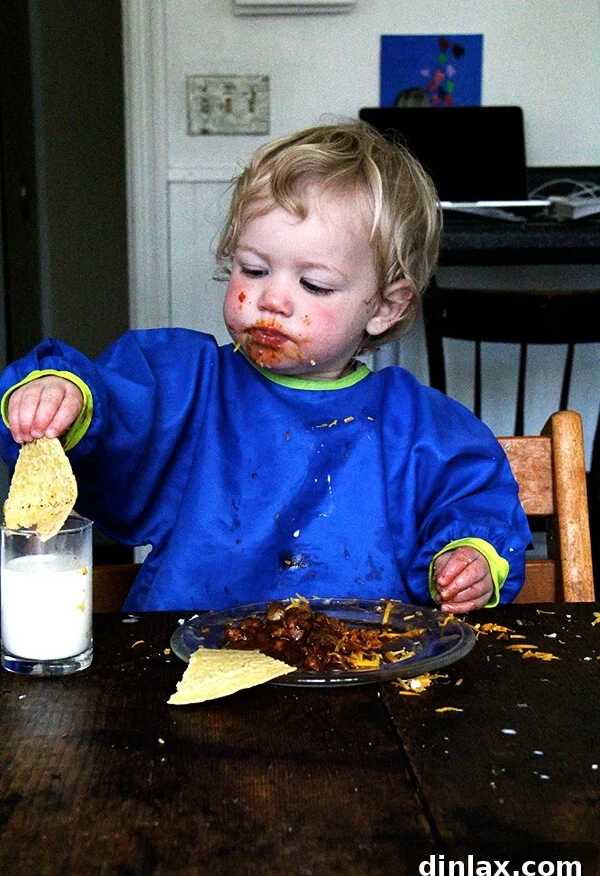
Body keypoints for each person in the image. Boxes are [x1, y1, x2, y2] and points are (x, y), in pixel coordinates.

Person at [0, 121, 531, 613]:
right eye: (253, 269)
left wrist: (471, 559)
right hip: (189, 659)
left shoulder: (417, 425)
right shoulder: (190, 388)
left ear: (386, 307)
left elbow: (474, 500)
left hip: (359, 667)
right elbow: (116, 401)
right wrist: (61, 394)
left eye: (314, 284)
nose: (271, 299)